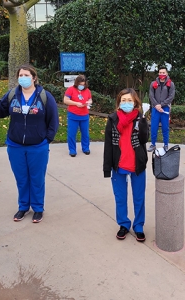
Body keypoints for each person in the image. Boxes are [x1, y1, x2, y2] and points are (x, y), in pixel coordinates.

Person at [0, 64, 59, 223]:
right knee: (21, 178)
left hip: (38, 146)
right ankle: (23, 207)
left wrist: (46, 140)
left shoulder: (45, 96)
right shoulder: (13, 94)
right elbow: (0, 112)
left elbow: (53, 121)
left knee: (37, 178)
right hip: (15, 146)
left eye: (26, 75)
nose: (23, 78)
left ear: (34, 78)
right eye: (20, 75)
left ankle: (38, 208)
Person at [103, 88, 149, 242]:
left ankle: (139, 226)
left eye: (130, 100)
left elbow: (144, 140)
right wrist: (106, 167)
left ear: (135, 103)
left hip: (137, 164)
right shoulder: (113, 119)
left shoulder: (140, 119)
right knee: (120, 197)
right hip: (119, 165)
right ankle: (123, 224)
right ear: (119, 103)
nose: (127, 103)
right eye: (123, 100)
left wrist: (143, 123)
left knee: (139, 197)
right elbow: (108, 145)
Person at [63, 75, 92, 157]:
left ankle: (86, 148)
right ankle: (72, 150)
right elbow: (66, 100)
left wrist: (89, 102)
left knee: (85, 133)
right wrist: (76, 103)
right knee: (72, 133)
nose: (82, 86)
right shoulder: (70, 89)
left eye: (83, 84)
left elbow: (90, 99)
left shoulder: (87, 91)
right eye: (80, 84)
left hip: (84, 115)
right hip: (73, 115)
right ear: (77, 83)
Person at [147, 66, 175, 152]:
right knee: (154, 127)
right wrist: (156, 105)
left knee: (165, 128)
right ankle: (153, 144)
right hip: (155, 109)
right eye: (160, 73)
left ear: (166, 73)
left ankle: (166, 145)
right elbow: (151, 96)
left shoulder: (171, 84)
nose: (162, 74)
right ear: (158, 73)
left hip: (165, 109)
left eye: (163, 72)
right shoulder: (153, 83)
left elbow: (171, 97)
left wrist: (161, 105)